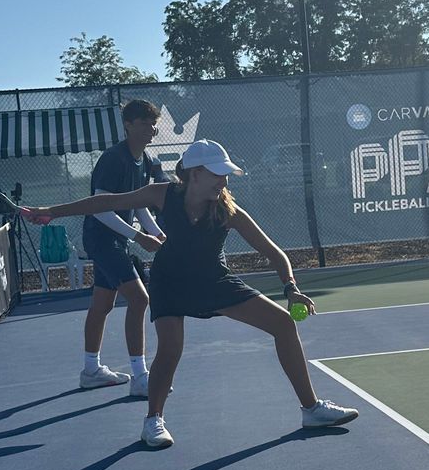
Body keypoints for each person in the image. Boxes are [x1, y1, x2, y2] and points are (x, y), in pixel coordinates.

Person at [23, 138, 358, 449]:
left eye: (225, 175)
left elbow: (275, 253)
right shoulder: (162, 195)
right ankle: (153, 421)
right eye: (217, 174)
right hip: (170, 281)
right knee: (170, 349)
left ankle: (311, 409)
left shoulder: (227, 211)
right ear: (195, 174)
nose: (223, 181)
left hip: (214, 281)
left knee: (284, 323)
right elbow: (108, 201)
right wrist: (52, 211)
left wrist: (291, 288)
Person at [78, 98, 168, 398]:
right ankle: (140, 377)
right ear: (128, 125)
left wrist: (157, 233)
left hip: (115, 239)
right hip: (100, 238)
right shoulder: (113, 159)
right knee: (140, 299)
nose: (150, 129)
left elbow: (139, 204)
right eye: (143, 124)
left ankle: (91, 370)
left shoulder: (146, 160)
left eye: (153, 124)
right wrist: (138, 237)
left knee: (102, 305)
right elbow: (100, 208)